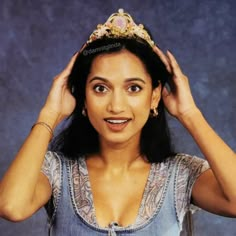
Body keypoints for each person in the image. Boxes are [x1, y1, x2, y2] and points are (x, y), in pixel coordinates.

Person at [0, 8, 235, 236]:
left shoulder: (181, 174)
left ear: (154, 96)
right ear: (83, 97)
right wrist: (48, 116)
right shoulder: (56, 171)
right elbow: (11, 206)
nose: (116, 106)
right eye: (100, 88)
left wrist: (190, 114)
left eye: (133, 88)